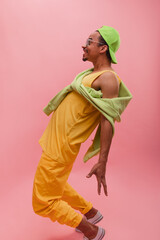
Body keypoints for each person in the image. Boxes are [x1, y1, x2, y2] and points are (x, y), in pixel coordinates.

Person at [32, 26, 132, 240]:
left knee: (43, 201)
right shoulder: (91, 73)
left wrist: (102, 160)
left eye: (90, 41)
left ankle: (91, 230)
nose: (84, 45)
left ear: (103, 48)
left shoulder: (108, 79)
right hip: (56, 141)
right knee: (54, 183)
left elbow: (107, 120)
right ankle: (91, 213)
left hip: (62, 145)